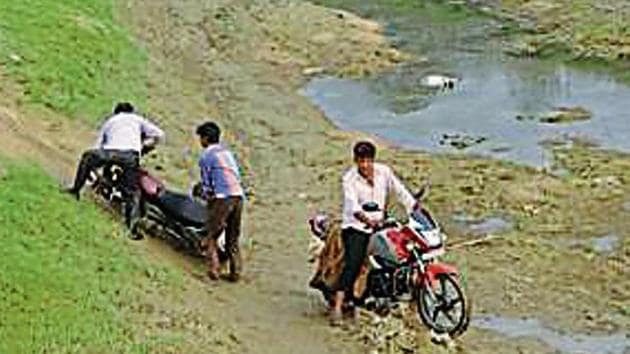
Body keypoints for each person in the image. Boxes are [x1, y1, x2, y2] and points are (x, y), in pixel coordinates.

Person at [330, 141, 417, 326]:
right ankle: (337, 307)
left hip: (381, 223)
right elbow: (352, 206)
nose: (365, 165)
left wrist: (414, 207)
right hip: (356, 226)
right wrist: (368, 221)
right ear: (355, 160)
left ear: (373, 159)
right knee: (353, 262)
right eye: (361, 161)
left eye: (368, 160)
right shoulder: (349, 179)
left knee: (402, 253)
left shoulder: (384, 172)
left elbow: (401, 192)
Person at [65, 102, 164, 238]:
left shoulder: (111, 121)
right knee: (131, 192)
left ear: (116, 112)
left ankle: (75, 190)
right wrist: (144, 147)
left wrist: (92, 167)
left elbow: (98, 145)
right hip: (130, 156)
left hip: (110, 152)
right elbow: (159, 134)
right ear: (131, 111)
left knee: (88, 157)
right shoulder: (137, 119)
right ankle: (131, 229)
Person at [196, 121, 245, 282]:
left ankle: (214, 270)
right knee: (232, 237)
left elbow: (206, 185)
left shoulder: (206, 156)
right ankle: (235, 272)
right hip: (238, 196)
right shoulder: (227, 153)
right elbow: (236, 175)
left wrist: (208, 201)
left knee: (211, 235)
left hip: (223, 197)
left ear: (205, 138)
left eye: (200, 138)